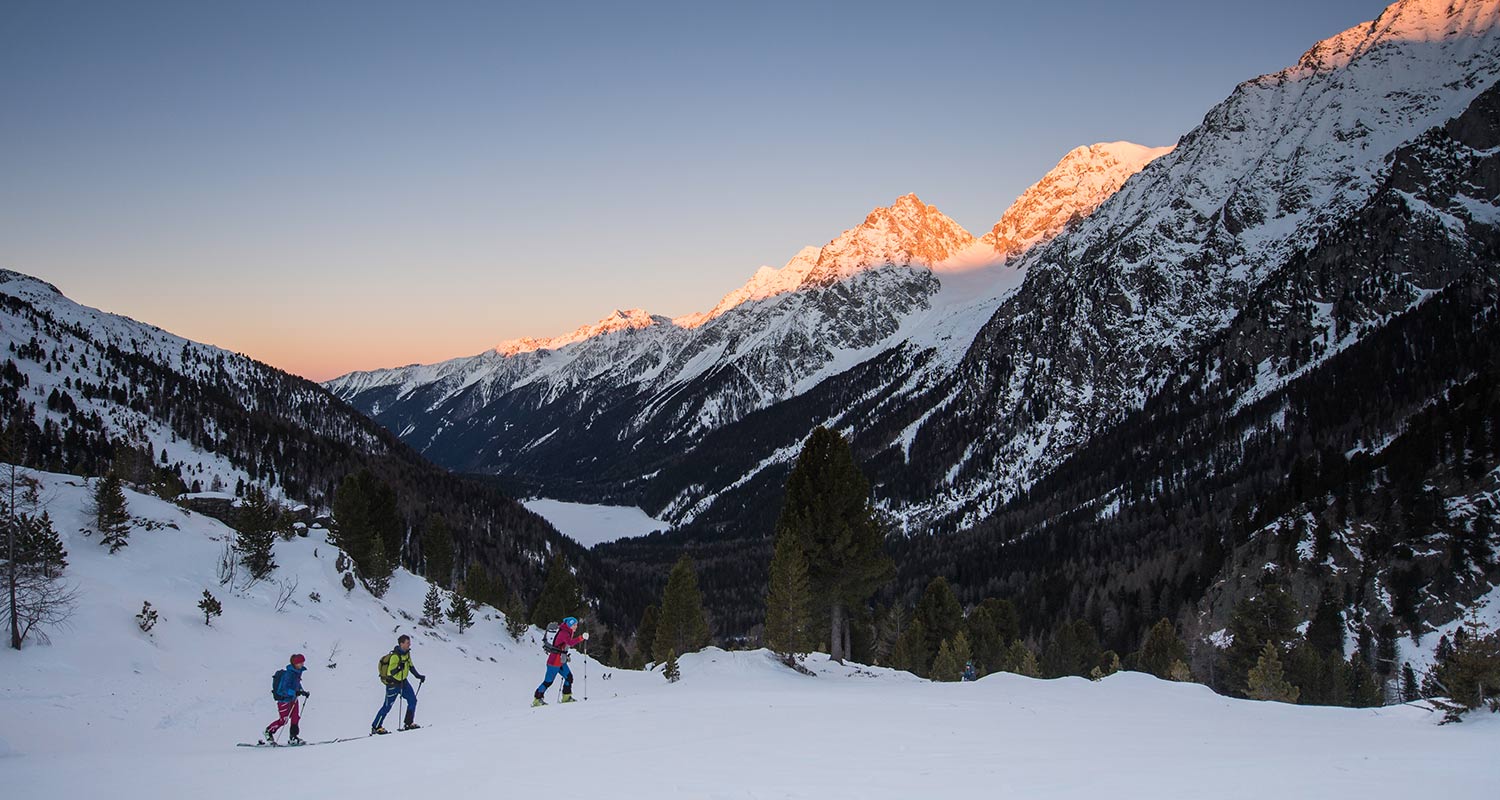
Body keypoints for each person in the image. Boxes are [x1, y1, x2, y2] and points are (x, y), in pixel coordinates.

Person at [372, 634, 426, 734]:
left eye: (409, 642)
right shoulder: (395, 656)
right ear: (401, 644)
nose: (409, 644)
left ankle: (408, 723)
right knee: (387, 706)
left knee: (412, 700)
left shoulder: (407, 654)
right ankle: (376, 727)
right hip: (393, 684)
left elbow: (410, 666)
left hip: (403, 682)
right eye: (407, 642)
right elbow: (390, 672)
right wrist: (398, 668)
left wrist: (419, 676)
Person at [532, 616, 589, 706]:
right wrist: (581, 637)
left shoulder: (567, 632)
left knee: (569, 677)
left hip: (560, 661)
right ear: (569, 625)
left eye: (576, 625)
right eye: (574, 625)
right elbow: (570, 643)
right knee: (548, 681)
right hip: (554, 662)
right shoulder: (564, 633)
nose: (576, 627)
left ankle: (566, 697)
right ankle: (537, 699)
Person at [264, 653, 310, 745]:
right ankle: (268, 731)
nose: (302, 664)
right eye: (300, 663)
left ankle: (293, 737)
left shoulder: (298, 672)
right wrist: (294, 692)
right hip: (284, 700)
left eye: (302, 662)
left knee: (295, 717)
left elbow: (296, 685)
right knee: (284, 720)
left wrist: (302, 691)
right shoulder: (288, 674)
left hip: (293, 699)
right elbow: (283, 689)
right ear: (294, 663)